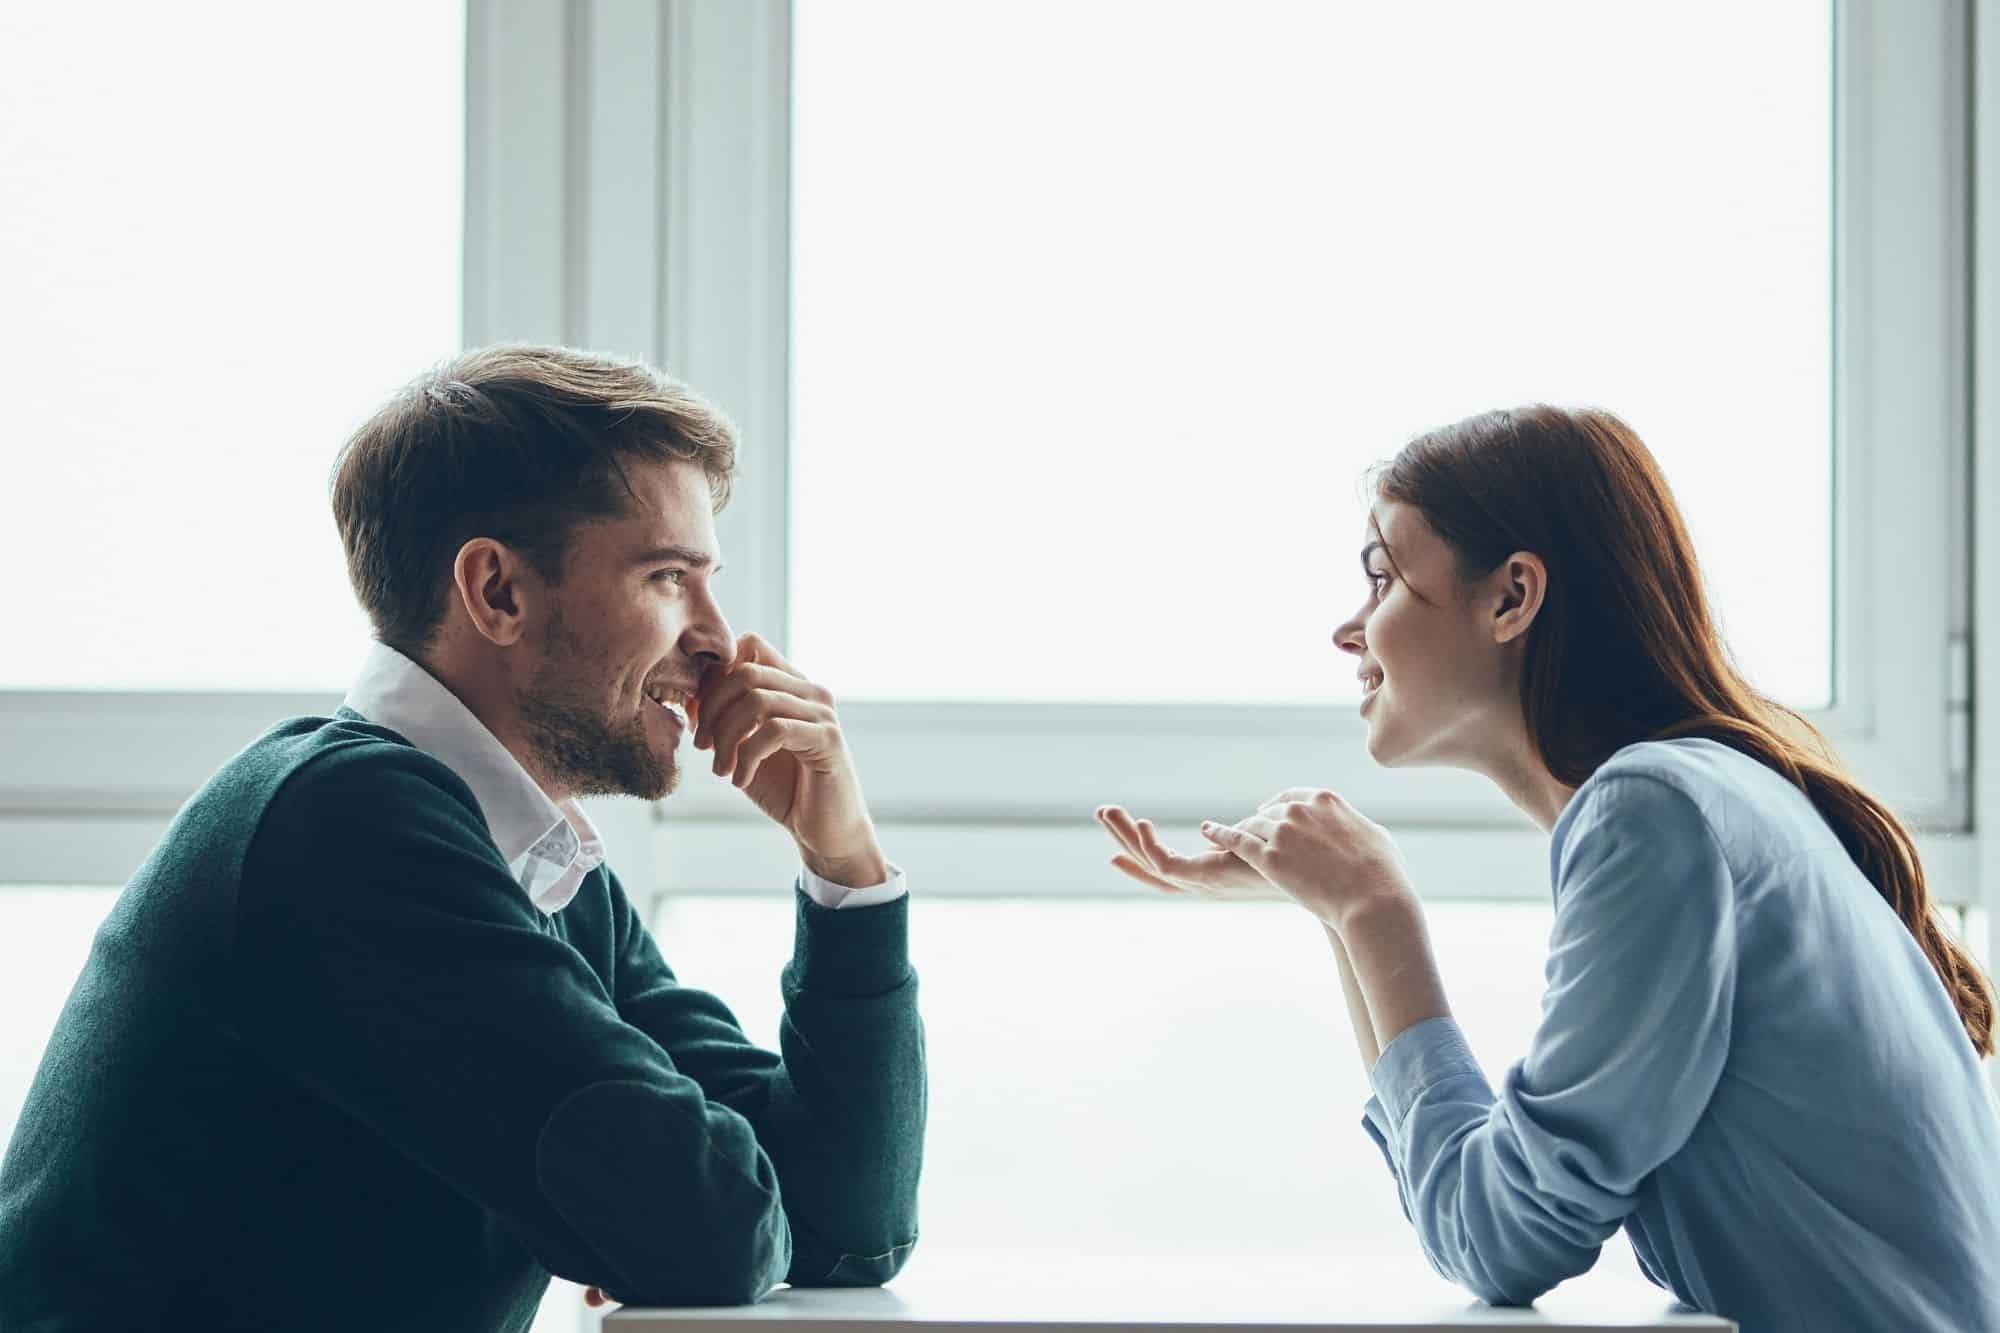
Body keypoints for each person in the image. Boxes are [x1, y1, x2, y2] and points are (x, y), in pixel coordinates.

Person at [0, 345, 924, 1332]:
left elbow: (844, 1226)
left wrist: (845, 864)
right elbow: (704, 1232)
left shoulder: (530, 861)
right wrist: (664, 1205)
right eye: (666, 579)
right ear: (495, 591)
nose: (716, 638)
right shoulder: (347, 827)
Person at [1096, 405, 2000, 1332]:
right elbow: (1474, 1210)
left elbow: (1497, 1238)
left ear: (1514, 596)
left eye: (1383, 579)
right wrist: (1339, 908)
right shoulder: (1700, 795)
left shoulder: (1653, 812)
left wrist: (1375, 910)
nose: (1349, 628)